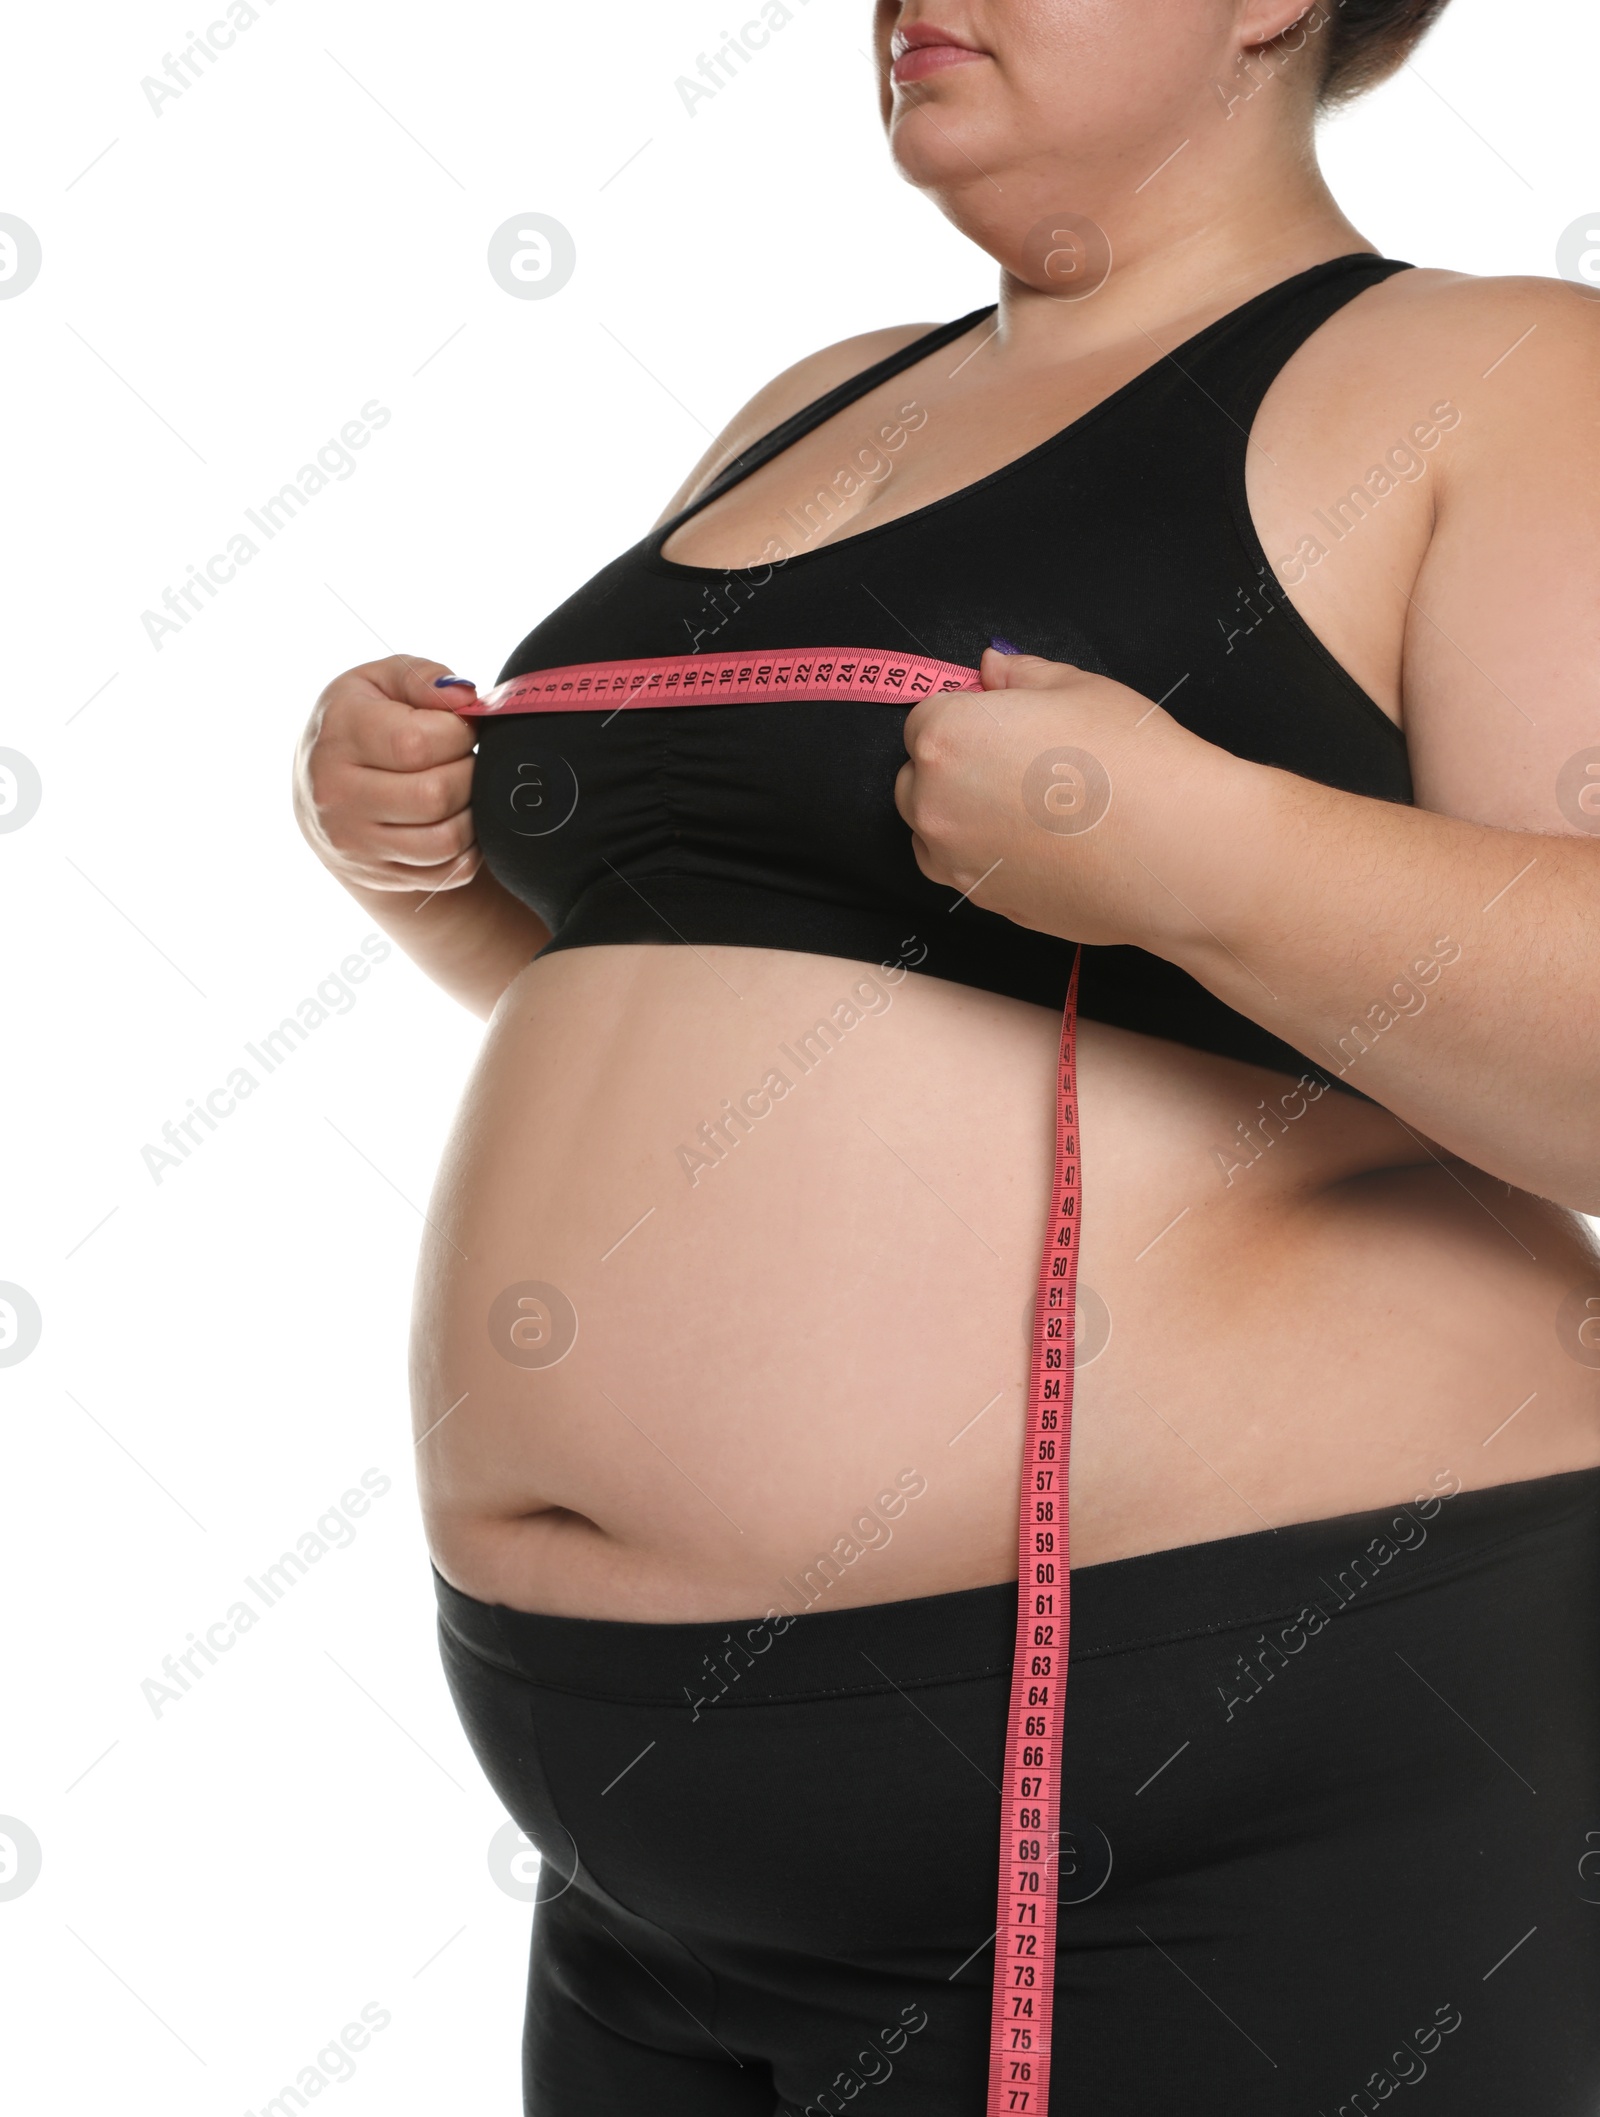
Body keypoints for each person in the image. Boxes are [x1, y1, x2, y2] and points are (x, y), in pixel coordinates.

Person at [292, 2, 1600, 2109]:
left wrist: (1203, 849)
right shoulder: (811, 405)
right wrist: (441, 879)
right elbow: (793, 1038)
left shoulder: (1501, 376)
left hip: (1227, 1777)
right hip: (642, 1856)